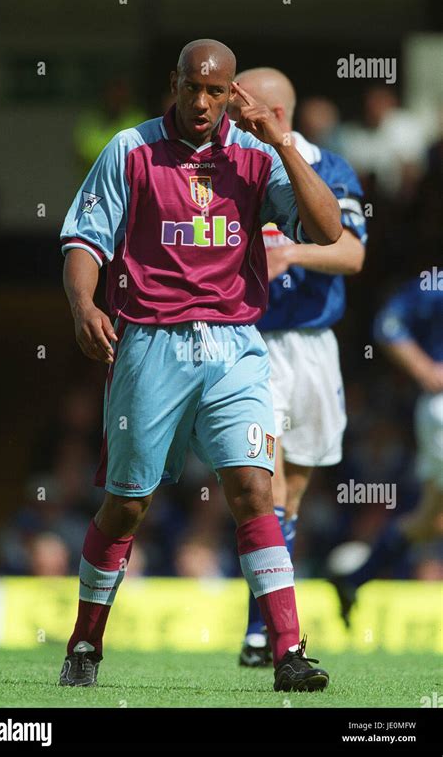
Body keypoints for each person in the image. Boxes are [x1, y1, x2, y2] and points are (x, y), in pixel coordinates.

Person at [58, 39, 342, 691]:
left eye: (218, 92)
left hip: (235, 345)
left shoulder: (254, 156)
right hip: (149, 342)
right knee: (127, 505)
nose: (205, 102)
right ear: (176, 85)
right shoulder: (131, 149)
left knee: (254, 491)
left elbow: (326, 230)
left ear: (232, 92)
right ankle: (84, 642)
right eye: (195, 89)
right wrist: (82, 306)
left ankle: (287, 653)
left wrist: (281, 141)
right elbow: (84, 239)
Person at [227, 68, 367, 666]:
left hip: (311, 346)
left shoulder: (330, 169)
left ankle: (262, 626)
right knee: (269, 486)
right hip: (250, 343)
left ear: (274, 115)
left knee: (294, 496)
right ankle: (269, 637)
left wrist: (291, 250)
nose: (230, 121)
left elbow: (354, 252)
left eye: (240, 110)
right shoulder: (231, 167)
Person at [329, 277, 443, 625]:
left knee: (429, 520)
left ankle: (354, 579)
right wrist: (425, 369)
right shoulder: (435, 284)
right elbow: (388, 324)